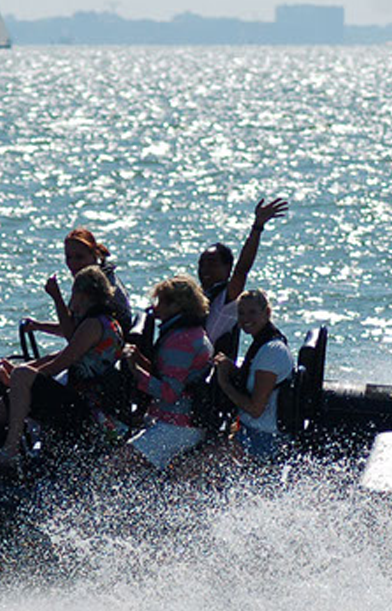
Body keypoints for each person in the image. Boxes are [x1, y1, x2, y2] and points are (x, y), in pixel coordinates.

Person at [0, 266, 125, 467]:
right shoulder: (110, 323)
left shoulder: (92, 325)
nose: (72, 303)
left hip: (85, 411)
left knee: (23, 377)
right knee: (20, 381)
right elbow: (58, 356)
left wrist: (21, 376)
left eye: (73, 294)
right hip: (81, 405)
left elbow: (61, 364)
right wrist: (21, 375)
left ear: (84, 295)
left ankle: (9, 451)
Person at [122, 275, 215, 470]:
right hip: (178, 420)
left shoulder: (181, 340)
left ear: (177, 306)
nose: (155, 307)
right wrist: (139, 358)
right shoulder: (191, 332)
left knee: (117, 465)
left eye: (161, 302)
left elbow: (169, 392)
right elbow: (169, 375)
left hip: (179, 425)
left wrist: (135, 370)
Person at [199, 198, 289, 358]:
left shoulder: (227, 299)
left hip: (211, 375)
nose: (205, 269)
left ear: (227, 269)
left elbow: (242, 270)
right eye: (202, 264)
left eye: (212, 264)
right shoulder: (201, 298)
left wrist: (257, 227)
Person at [214, 290, 296, 462]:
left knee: (194, 467)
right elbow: (252, 382)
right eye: (241, 313)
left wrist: (224, 382)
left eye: (252, 312)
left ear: (267, 313)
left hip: (264, 439)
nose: (245, 319)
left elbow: (255, 409)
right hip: (249, 430)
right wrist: (231, 368)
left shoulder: (272, 351)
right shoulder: (261, 343)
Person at [23, 228, 132, 340]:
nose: (73, 263)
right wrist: (37, 326)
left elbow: (71, 334)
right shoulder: (101, 274)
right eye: (69, 257)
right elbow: (73, 326)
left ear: (94, 255)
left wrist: (57, 297)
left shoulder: (96, 285)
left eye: (80, 257)